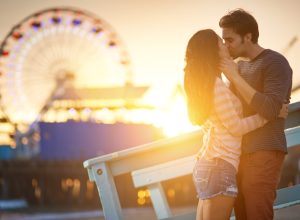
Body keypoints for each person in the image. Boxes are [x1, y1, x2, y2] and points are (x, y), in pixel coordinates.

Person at [184, 29, 278, 220]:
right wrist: (268, 116)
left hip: (209, 164)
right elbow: (236, 127)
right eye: (221, 43)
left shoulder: (207, 84)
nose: (226, 46)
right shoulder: (215, 86)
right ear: (213, 50)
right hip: (220, 165)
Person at [218, 9, 293, 220]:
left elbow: (270, 108)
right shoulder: (238, 67)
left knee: (257, 214)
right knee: (242, 215)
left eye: (229, 40)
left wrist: (233, 76)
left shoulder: (275, 62)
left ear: (248, 36)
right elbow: (229, 111)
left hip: (264, 151)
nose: (225, 45)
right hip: (237, 154)